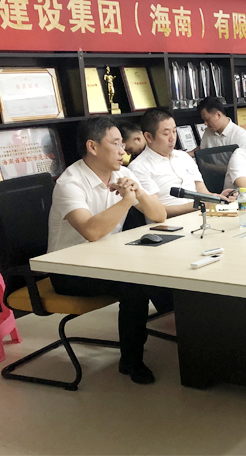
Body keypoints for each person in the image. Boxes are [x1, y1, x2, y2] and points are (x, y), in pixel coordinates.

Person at [47, 116, 168, 384]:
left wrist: (138, 193)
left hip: (108, 260)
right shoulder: (70, 183)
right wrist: (127, 200)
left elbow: (159, 215)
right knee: (135, 285)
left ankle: (190, 336)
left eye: (122, 143)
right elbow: (91, 232)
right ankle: (131, 361)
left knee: (164, 272)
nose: (123, 150)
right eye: (115, 144)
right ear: (92, 146)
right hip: (69, 270)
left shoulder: (122, 173)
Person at [128, 108, 235, 219]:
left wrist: (217, 198)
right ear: (149, 137)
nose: (172, 138)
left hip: (202, 217)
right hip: (170, 225)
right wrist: (198, 205)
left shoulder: (184, 157)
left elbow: (203, 192)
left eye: (174, 131)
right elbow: (156, 210)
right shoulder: (138, 167)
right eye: (166, 134)